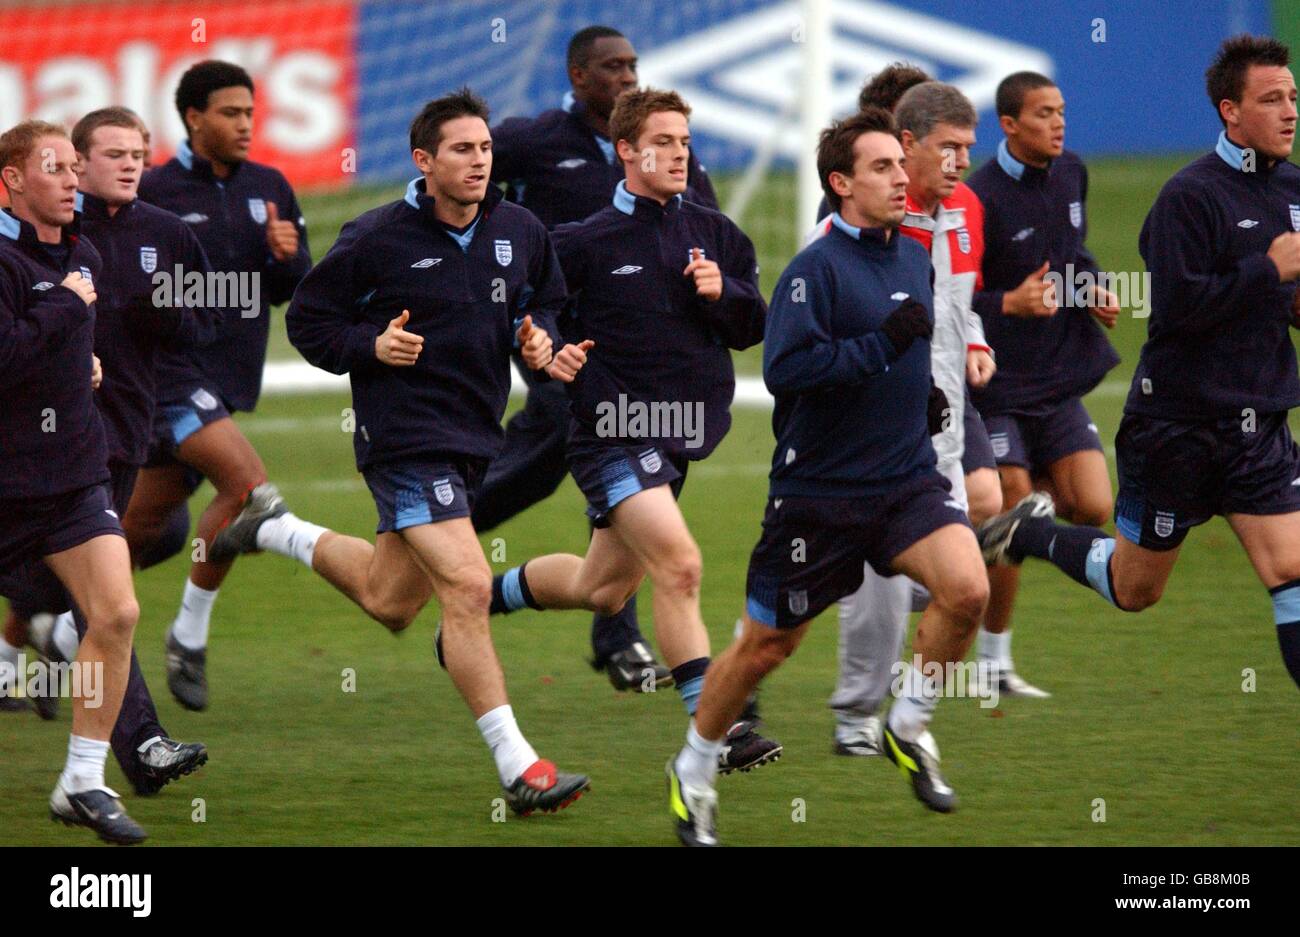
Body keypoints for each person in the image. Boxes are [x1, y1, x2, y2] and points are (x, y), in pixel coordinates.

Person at [218, 89, 595, 815]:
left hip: (474, 440)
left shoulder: (519, 229)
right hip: (404, 441)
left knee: (391, 601)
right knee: (468, 585)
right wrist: (372, 346)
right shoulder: (375, 238)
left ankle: (273, 527)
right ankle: (519, 766)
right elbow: (308, 321)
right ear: (424, 162)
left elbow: (540, 302)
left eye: (485, 148)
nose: (479, 161)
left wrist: (539, 339)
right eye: (462, 150)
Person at [667, 107, 990, 846]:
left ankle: (906, 723)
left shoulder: (914, 252)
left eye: (901, 166)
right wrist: (882, 348)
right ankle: (693, 768)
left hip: (905, 482)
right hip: (819, 498)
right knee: (764, 649)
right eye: (882, 168)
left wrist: (922, 388)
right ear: (842, 184)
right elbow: (787, 370)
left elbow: (907, 342)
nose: (902, 178)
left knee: (967, 587)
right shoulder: (813, 269)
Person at [978, 35, 1300, 696]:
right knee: (1134, 588)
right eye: (1272, 99)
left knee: (1292, 570)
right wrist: (1269, 271)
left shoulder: (1295, 189)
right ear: (1229, 112)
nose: (1290, 111)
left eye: (1293, 97)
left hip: (1259, 427)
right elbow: (1177, 311)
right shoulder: (1189, 197)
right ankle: (1033, 532)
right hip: (1176, 429)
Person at [485, 87, 779, 774]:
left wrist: (723, 293)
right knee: (680, 566)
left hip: (676, 434)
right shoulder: (580, 241)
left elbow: (753, 325)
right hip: (609, 432)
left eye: (685, 141)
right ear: (626, 149)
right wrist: (544, 345)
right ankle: (719, 729)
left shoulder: (717, 234)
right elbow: (531, 310)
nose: (680, 153)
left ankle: (485, 594)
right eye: (665, 141)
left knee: (603, 586)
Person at [477, 25, 719, 690]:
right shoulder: (533, 140)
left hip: (647, 361)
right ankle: (680, 688)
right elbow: (467, 185)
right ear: (579, 76)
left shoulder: (660, 152)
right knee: (577, 429)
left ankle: (458, 533)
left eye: (634, 64)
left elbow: (708, 234)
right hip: (557, 334)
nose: (628, 76)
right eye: (613, 66)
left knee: (617, 502)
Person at [4, 108, 213, 794]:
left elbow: (203, 320)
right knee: (92, 603)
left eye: (140, 153)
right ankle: (135, 741)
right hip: (34, 457)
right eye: (113, 153)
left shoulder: (163, 234)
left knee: (94, 601)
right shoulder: (50, 244)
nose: (130, 164)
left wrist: (163, 314)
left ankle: (96, 749)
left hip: (113, 440)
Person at [125, 60, 312, 712]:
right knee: (247, 489)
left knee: (133, 529)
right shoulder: (152, 190)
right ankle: (188, 634)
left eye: (251, 114)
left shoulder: (271, 186)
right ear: (194, 117)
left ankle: (46, 632)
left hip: (228, 378)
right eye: (231, 113)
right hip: (170, 376)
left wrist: (285, 258)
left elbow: (292, 292)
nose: (245, 125)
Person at [822, 81, 1000, 757]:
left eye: (967, 149)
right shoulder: (858, 232)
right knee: (876, 594)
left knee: (963, 588)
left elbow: (957, 305)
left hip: (945, 440)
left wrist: (975, 342)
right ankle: (855, 719)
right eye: (947, 148)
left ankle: (910, 716)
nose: (959, 162)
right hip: (875, 449)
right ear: (907, 145)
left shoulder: (962, 215)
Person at [0, 120, 147, 842]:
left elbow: (57, 351)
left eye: (71, 166)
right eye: (53, 166)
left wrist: (79, 366)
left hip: (69, 478)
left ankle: (83, 780)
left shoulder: (82, 251)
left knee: (115, 613)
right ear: (12, 181)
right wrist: (64, 307)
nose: (70, 177)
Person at [965, 71, 1121, 697]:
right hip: (997, 385)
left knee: (1093, 506)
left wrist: (1092, 287)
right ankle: (992, 662)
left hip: (1057, 375)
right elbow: (955, 293)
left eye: (1061, 111)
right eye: (1043, 114)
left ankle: (970, 530)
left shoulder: (1072, 172)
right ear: (1008, 125)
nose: (1058, 123)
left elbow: (1072, 254)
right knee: (1011, 502)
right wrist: (1008, 304)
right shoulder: (977, 198)